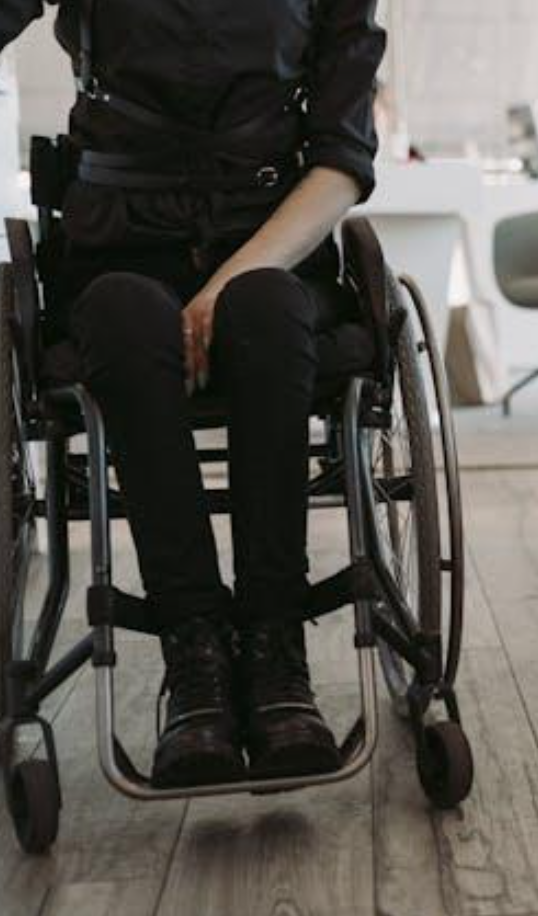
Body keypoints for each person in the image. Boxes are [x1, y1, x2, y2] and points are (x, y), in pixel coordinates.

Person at [0, 0, 385, 785]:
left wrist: (227, 283)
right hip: (119, 240)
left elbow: (342, 160)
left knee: (267, 309)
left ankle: (278, 650)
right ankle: (196, 653)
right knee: (121, 314)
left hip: (271, 241)